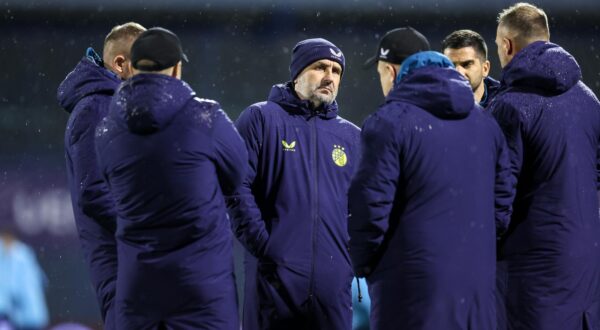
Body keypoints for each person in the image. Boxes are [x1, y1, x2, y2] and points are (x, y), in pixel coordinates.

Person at [348, 27, 514, 330]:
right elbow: (502, 207)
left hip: (410, 293)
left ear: (389, 70)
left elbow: (369, 209)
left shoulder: (388, 122)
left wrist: (365, 264)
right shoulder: (487, 125)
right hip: (477, 293)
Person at [94, 27, 246, 329]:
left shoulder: (106, 130)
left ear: (132, 68)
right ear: (177, 69)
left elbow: (109, 187)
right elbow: (238, 174)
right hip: (202, 287)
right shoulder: (207, 117)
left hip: (138, 289)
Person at [226, 38, 360, 329]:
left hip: (333, 289)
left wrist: (346, 264)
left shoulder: (352, 137)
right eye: (320, 67)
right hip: (273, 282)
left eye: (337, 71)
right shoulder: (261, 118)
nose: (330, 77)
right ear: (298, 73)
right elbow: (235, 188)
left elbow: (361, 208)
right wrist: (267, 249)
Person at [490, 3, 600, 329]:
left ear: (507, 45)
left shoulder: (508, 107)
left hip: (529, 282)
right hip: (586, 274)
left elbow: (497, 199)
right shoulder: (590, 101)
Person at [56, 22, 145, 329]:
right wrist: (143, 229)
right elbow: (92, 190)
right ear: (121, 63)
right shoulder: (96, 107)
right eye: (147, 66)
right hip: (119, 258)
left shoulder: (114, 105)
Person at [0, 229, 49, 330]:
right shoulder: (25, 252)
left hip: (22, 318)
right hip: (38, 316)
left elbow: (13, 288)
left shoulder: (15, 255)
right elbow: (43, 281)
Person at [442, 29, 500, 108]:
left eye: (466, 64)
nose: (458, 72)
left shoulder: (506, 106)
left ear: (485, 69)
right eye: (450, 65)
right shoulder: (432, 106)